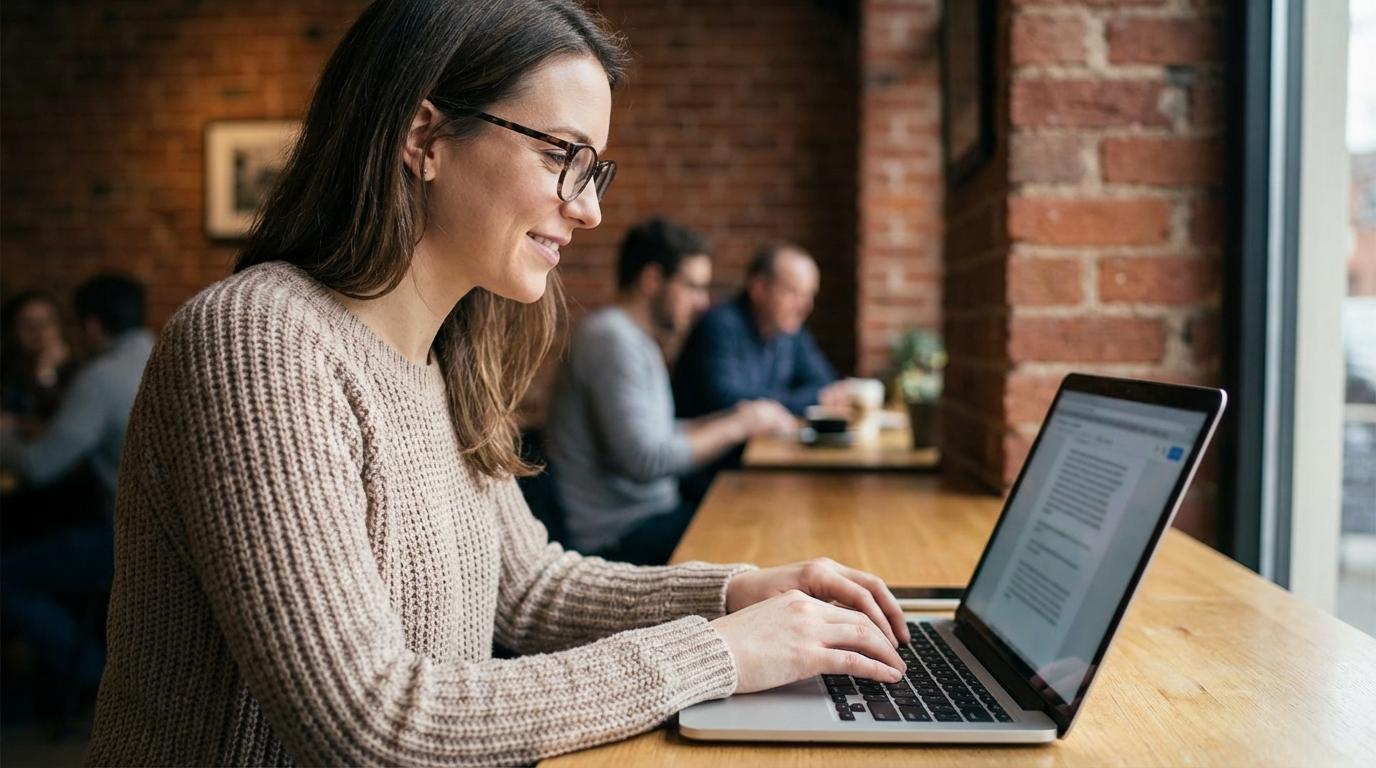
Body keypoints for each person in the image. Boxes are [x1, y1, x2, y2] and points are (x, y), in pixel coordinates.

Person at [85, 2, 910, 765]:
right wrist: (719, 653)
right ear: (425, 138)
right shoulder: (257, 341)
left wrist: (738, 590)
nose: (587, 209)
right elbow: (370, 720)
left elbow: (530, 588)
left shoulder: (441, 357)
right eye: (562, 156)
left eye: (595, 170)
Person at [546, 217, 794, 565]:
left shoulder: (636, 339)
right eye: (692, 286)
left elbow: (659, 434)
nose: (702, 302)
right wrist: (739, 425)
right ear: (652, 279)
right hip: (617, 537)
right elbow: (647, 459)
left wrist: (739, 417)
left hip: (651, 518)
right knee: (759, 534)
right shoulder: (610, 339)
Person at [0, 274, 153, 702]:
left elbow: (38, 465)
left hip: (124, 537)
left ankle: (91, 673)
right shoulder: (165, 353)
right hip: (171, 535)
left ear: (89, 325)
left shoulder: (99, 378)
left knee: (5, 576)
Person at [674, 241, 847, 420]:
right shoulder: (718, 326)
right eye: (793, 292)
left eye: (809, 295)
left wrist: (788, 400)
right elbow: (728, 403)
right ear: (759, 289)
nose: (805, 306)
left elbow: (825, 384)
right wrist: (810, 400)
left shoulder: (790, 329)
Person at [1, 291, 77, 431]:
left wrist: (46, 374)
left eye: (47, 322)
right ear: (12, 331)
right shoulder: (7, 369)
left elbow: (63, 425)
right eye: (27, 323)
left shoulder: (77, 373)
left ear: (59, 327)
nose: (38, 331)